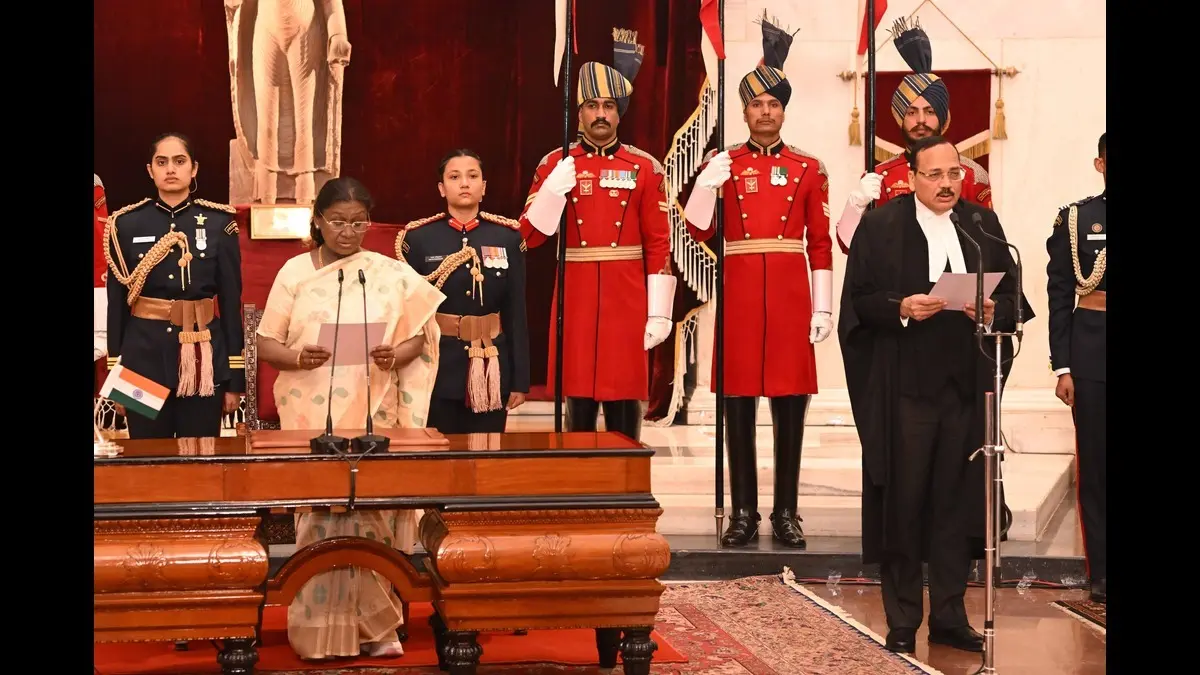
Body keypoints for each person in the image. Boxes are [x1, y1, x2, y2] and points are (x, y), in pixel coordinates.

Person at [838, 135, 1034, 654]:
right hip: (905, 390)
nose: (948, 184)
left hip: (966, 388)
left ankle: (949, 616)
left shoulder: (980, 224)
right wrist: (902, 306)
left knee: (956, 503)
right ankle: (902, 620)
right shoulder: (881, 227)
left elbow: (1014, 295)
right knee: (904, 502)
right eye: (935, 175)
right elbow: (857, 304)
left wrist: (997, 312)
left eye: (954, 174)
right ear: (910, 178)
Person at [254, 176, 446, 659]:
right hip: (312, 419)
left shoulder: (384, 271)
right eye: (338, 221)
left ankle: (377, 628)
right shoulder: (295, 272)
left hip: (372, 417)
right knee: (321, 520)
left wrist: (392, 354)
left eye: (358, 223)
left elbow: (421, 337)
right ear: (317, 221)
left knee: (372, 521)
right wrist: (299, 359)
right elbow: (267, 342)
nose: (348, 232)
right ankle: (318, 634)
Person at [682, 16, 832, 549]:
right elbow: (697, 227)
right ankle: (744, 511)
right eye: (756, 104)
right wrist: (705, 184)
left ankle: (786, 512)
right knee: (738, 405)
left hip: (792, 297)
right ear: (744, 112)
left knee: (791, 406)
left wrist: (823, 307)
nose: (765, 111)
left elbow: (819, 244)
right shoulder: (724, 164)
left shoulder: (808, 167)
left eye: (773, 104)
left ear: (783, 111)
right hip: (743, 296)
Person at [518, 27, 675, 442]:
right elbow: (528, 239)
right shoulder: (556, 162)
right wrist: (551, 193)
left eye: (608, 105)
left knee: (625, 396)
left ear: (619, 112)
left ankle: (627, 492)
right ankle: (578, 487)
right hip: (577, 292)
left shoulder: (644, 167)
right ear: (579, 111)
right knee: (578, 399)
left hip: (627, 296)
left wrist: (660, 310)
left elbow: (659, 241)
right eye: (591, 105)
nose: (600, 113)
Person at [104, 133, 245, 438]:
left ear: (193, 169)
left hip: (202, 357)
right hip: (141, 360)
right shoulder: (124, 225)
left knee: (201, 456)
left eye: (179, 161)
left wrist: (235, 379)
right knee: (146, 458)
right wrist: (116, 377)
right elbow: (116, 308)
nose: (170, 169)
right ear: (149, 170)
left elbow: (231, 305)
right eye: (162, 162)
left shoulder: (219, 224)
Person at [397, 149, 529, 433]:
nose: (465, 183)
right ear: (442, 189)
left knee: (487, 454)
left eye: (473, 176)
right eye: (454, 177)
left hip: (491, 363)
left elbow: (516, 312)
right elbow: (408, 314)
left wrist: (520, 380)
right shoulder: (419, 239)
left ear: (484, 187)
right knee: (439, 455)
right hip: (438, 363)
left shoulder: (507, 237)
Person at [834, 17, 993, 253]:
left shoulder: (971, 173)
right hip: (897, 286)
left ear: (943, 117)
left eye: (929, 111)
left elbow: (988, 243)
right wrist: (857, 203)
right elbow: (848, 246)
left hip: (957, 282)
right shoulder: (880, 176)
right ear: (900, 118)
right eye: (911, 112)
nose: (921, 121)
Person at [1046, 132, 1106, 604]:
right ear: (1099, 164)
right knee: (1097, 468)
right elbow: (1061, 293)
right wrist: (1062, 365)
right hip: (1092, 356)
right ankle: (1101, 572)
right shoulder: (1077, 220)